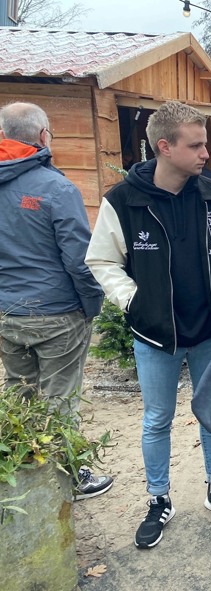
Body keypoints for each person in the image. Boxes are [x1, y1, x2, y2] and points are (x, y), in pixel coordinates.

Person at [86, 100, 211, 549]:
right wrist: (135, 302)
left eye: (205, 145)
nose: (205, 154)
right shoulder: (123, 201)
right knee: (157, 419)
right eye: (196, 145)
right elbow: (101, 259)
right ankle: (159, 499)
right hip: (155, 334)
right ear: (165, 147)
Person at [0, 101, 113, 501]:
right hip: (56, 313)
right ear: (44, 136)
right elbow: (80, 261)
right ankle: (68, 478)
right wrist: (91, 305)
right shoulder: (58, 189)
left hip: (7, 312)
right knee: (60, 397)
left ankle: (22, 470)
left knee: (20, 392)